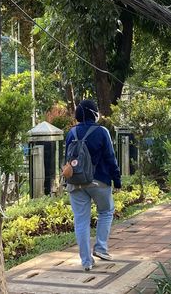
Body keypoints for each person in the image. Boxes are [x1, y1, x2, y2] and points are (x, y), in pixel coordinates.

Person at [65, 99, 122, 271]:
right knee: (106, 211)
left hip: (75, 182)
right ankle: (101, 248)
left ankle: (86, 261)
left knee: (81, 221)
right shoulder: (102, 131)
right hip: (99, 181)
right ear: (93, 113)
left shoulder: (71, 133)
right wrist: (117, 181)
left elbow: (67, 158)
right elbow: (111, 159)